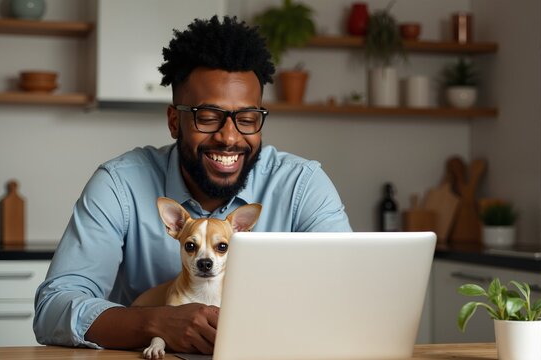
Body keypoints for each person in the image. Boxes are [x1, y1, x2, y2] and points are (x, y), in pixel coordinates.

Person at [33, 15, 351, 354]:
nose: (229, 138)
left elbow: (349, 291)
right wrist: (155, 324)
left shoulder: (302, 185)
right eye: (208, 116)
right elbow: (54, 308)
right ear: (174, 121)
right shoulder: (119, 184)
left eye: (246, 119)